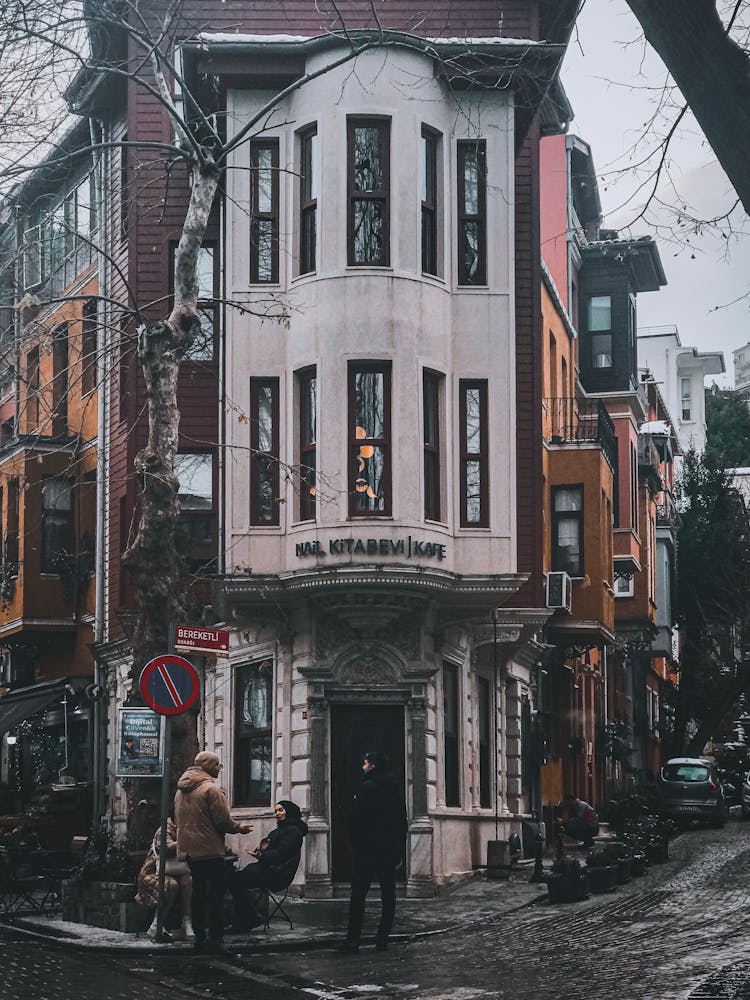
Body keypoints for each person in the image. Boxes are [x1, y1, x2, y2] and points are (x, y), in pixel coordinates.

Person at [173, 751, 253, 954]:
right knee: (216, 896)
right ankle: (216, 940)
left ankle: (200, 938)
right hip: (210, 849)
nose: (219, 768)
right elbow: (222, 821)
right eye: (217, 765)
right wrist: (239, 828)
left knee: (198, 894)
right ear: (208, 766)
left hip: (190, 851)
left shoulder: (180, 791)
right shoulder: (211, 790)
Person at [342, 751, 408, 953]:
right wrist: (399, 851)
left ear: (372, 765)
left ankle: (353, 941)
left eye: (365, 763)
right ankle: (382, 939)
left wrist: (356, 845)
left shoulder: (366, 788)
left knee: (358, 895)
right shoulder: (395, 788)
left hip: (367, 851)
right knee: (388, 895)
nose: (362, 766)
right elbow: (401, 822)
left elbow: (355, 820)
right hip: (388, 850)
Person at [229, 800, 308, 933]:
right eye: (276, 811)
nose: (277, 814)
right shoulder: (280, 830)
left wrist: (261, 856)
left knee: (235, 880)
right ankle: (249, 916)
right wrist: (260, 850)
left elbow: (281, 854)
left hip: (278, 875)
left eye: (281, 810)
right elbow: (271, 851)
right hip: (269, 870)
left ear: (290, 812)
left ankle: (249, 918)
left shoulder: (293, 832)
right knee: (235, 878)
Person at [135, 817, 193, 941]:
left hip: (176, 870)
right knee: (171, 885)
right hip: (154, 871)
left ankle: (187, 921)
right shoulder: (164, 829)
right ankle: (157, 923)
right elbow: (165, 847)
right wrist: (185, 842)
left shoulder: (186, 827)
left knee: (187, 881)